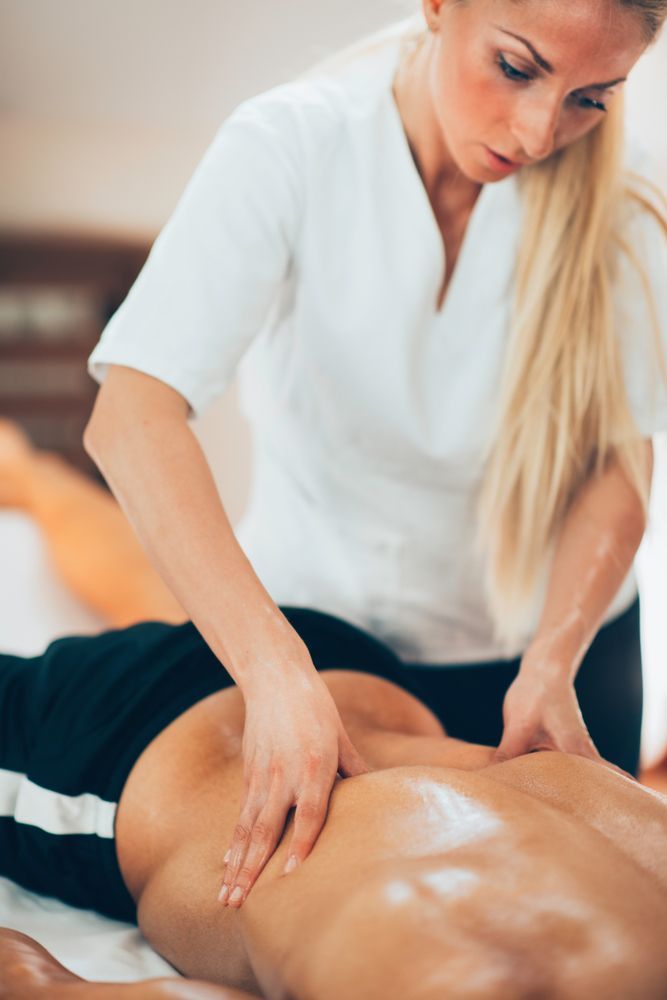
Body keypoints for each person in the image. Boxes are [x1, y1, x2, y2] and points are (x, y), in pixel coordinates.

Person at [82, 0, 667, 911]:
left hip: (558, 669)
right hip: (320, 655)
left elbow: (616, 466)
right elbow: (132, 416)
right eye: (516, 68)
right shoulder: (291, 145)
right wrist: (274, 674)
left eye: (590, 97)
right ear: (438, 5)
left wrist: (552, 659)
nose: (540, 131)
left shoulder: (625, 193)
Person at [0, 465, 666, 998]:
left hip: (330, 671)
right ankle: (25, 469)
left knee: (167, 613)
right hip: (152, 748)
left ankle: (26, 470)